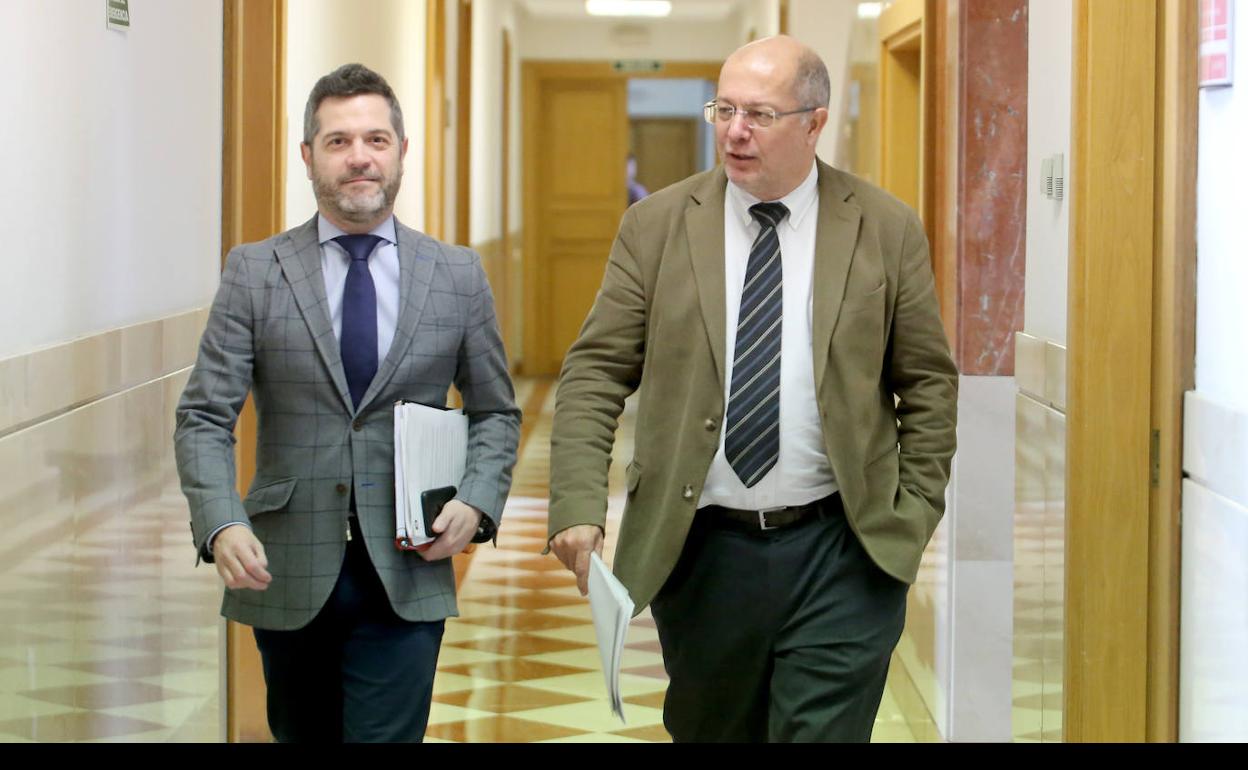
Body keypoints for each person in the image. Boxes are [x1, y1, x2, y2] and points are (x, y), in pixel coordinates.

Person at [546, 36, 957, 742]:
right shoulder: (656, 227)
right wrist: (577, 501)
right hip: (705, 553)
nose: (735, 130)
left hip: (843, 552)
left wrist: (911, 514)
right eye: (724, 108)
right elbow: (596, 370)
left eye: (759, 114)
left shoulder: (884, 228)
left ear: (814, 122)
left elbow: (926, 384)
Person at [174, 63, 520, 743]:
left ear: (401, 151)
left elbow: (496, 411)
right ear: (308, 156)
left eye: (375, 140)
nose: (359, 157)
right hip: (286, 565)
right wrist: (220, 523)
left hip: (408, 566)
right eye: (337, 142)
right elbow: (205, 416)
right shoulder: (256, 270)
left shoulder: (456, 275)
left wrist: (476, 501)